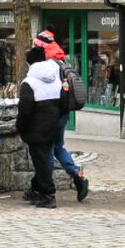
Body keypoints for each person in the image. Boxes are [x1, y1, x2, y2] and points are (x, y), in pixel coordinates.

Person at [33, 30, 92, 202]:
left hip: (51, 113)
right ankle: (77, 176)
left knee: (48, 150)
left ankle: (45, 189)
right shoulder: (61, 60)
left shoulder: (47, 64)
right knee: (58, 147)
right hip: (64, 112)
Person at [15, 47, 66, 209]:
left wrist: (20, 127)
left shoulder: (29, 83)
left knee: (41, 161)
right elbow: (64, 103)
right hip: (53, 125)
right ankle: (35, 188)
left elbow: (25, 110)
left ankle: (47, 194)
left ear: (29, 63)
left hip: (35, 129)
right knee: (43, 160)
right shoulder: (56, 78)